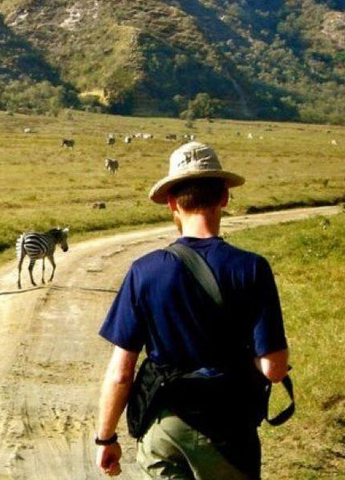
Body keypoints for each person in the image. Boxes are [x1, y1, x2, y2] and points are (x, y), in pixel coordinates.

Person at [94, 142, 290, 479]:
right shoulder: (253, 268)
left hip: (165, 430)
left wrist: (106, 437)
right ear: (224, 197)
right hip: (228, 433)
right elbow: (273, 368)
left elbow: (121, 373)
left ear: (171, 202)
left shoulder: (144, 270)